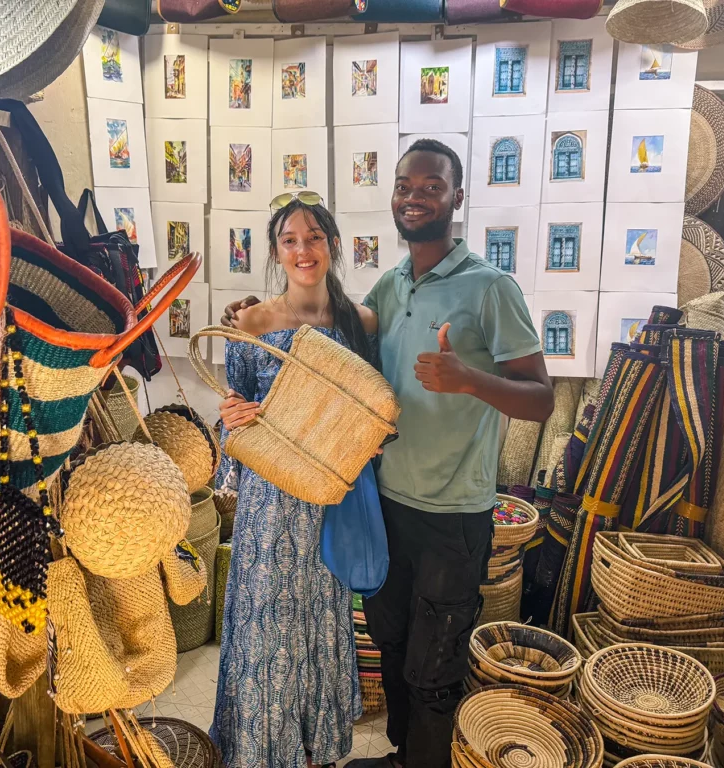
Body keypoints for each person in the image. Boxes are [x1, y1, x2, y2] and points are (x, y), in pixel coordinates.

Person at [222, 140, 555, 768]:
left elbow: (540, 399)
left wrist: (468, 379)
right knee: (394, 644)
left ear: (457, 198)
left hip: (453, 511)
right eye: (406, 185)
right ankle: (402, 755)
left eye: (433, 186)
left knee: (436, 664)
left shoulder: (491, 288)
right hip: (382, 501)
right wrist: (253, 318)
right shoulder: (391, 285)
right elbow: (325, 338)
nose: (416, 196)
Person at [211, 192, 378, 768]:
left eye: (313, 237)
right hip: (266, 505)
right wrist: (230, 418)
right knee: (264, 625)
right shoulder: (252, 322)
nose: (303, 249)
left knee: (321, 620)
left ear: (332, 244)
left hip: (329, 500)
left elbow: (373, 413)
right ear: (276, 251)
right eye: (290, 240)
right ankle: (258, 749)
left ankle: (313, 747)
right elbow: (230, 415)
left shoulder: (362, 324)